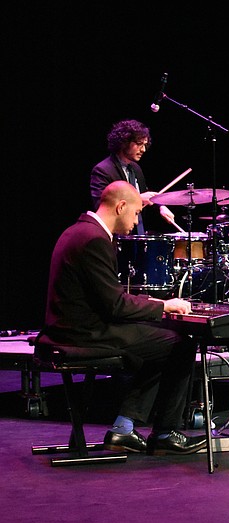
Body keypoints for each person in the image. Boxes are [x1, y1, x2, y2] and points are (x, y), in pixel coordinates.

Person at [38, 180, 207, 454]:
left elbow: (108, 297)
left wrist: (153, 304)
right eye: (137, 212)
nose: (136, 219)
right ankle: (164, 433)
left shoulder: (78, 231)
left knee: (159, 342)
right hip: (83, 334)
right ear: (121, 207)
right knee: (181, 345)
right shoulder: (94, 240)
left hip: (73, 327)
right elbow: (115, 306)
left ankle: (124, 428)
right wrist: (164, 306)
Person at [90, 119, 176, 234]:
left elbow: (146, 198)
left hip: (137, 234)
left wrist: (161, 206)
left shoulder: (136, 168)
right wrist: (138, 198)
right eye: (139, 144)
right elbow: (101, 206)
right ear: (124, 142)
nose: (143, 150)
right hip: (117, 237)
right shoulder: (103, 170)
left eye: (145, 145)